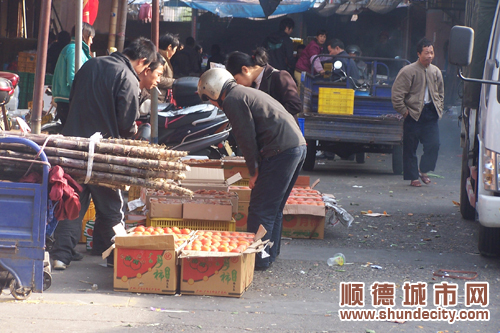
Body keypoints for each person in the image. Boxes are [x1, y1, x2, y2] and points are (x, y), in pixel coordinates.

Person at [50, 37, 156, 270]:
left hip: (73, 146)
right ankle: (108, 254)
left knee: (73, 200)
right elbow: (126, 122)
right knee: (110, 207)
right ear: (142, 61)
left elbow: (71, 99)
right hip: (103, 152)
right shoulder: (127, 77)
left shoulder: (90, 64)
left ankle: (60, 256)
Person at [198, 68, 306, 270]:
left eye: (209, 99)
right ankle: (269, 254)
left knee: (260, 209)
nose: (213, 104)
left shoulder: (232, 99)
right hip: (296, 147)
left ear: (213, 90)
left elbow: (245, 139)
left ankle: (258, 260)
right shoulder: (244, 92)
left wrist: (254, 171)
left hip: (281, 150)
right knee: (274, 208)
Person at [391, 38, 444, 187]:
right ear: (418, 54)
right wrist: (404, 111)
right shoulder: (408, 71)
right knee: (410, 147)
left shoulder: (436, 71)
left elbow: (440, 92)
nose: (430, 56)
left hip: (430, 112)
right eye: (426, 53)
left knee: (434, 144)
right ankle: (413, 177)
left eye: (432, 52)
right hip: (413, 113)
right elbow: (397, 94)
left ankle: (423, 169)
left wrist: (439, 107)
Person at [225, 47, 301, 116]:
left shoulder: (279, 76)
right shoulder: (252, 85)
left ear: (245, 70)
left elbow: (295, 105)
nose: (237, 84)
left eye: (236, 80)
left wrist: (267, 117)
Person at [51, 23, 95, 126]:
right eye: (91, 38)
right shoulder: (74, 50)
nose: (92, 41)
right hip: (68, 99)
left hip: (66, 98)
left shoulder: (73, 49)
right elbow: (73, 77)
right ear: (86, 35)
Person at [139, 52, 166, 116]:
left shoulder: (141, 90)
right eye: (158, 75)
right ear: (147, 71)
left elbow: (146, 97)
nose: (159, 80)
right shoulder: (130, 88)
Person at [156, 33, 180, 103]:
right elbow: (157, 78)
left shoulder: (163, 58)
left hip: (160, 97)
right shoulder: (159, 59)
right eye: (175, 49)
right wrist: (175, 82)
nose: (174, 52)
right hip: (156, 98)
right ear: (169, 47)